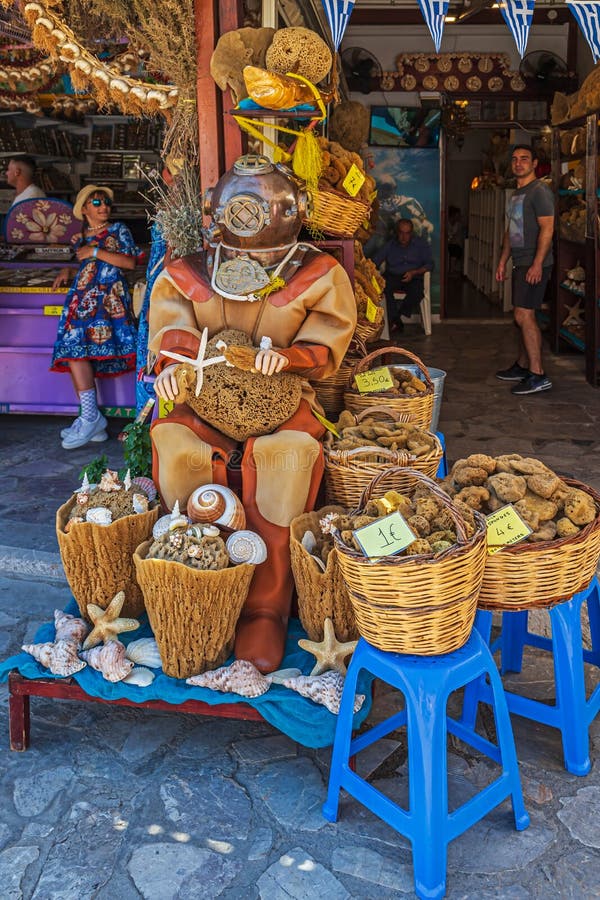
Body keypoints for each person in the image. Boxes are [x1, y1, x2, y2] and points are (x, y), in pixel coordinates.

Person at [149, 154, 356, 675]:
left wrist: (291, 357)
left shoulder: (317, 273)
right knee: (178, 447)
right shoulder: (188, 271)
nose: (249, 216)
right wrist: (172, 365)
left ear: (294, 211)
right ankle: (192, 590)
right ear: (216, 210)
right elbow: (172, 326)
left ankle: (266, 603)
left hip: (283, 398)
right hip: (203, 396)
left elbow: (327, 340)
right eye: (238, 207)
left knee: (287, 455)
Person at [51, 185, 139, 449]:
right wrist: (70, 267)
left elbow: (130, 263)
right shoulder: (80, 237)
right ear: (85, 209)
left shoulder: (118, 230)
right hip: (82, 300)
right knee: (75, 352)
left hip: (108, 301)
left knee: (77, 353)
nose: (104, 207)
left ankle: (89, 417)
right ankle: (92, 419)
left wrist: (95, 253)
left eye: (107, 203)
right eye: (98, 202)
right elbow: (86, 262)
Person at [495, 145, 554, 395]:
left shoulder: (540, 191)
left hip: (533, 263)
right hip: (520, 262)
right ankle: (522, 365)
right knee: (521, 317)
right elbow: (511, 230)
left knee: (524, 315)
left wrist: (537, 263)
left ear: (534, 163)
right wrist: (502, 260)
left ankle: (538, 374)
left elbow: (548, 229)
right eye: (515, 159)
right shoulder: (516, 194)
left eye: (524, 159)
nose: (519, 163)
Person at [373, 218, 433, 332]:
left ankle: (396, 318)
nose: (404, 237)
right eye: (401, 233)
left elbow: (430, 265)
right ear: (397, 232)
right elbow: (375, 261)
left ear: (411, 233)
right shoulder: (390, 245)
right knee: (384, 288)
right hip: (393, 276)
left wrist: (414, 272)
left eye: (407, 233)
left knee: (417, 292)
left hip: (414, 276)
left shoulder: (420, 244)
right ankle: (395, 320)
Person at [447, 205, 465, 276]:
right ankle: (452, 270)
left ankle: (452, 270)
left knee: (455, 249)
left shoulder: (458, 224)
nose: (458, 216)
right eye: (457, 215)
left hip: (455, 244)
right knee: (453, 249)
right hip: (450, 243)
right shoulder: (447, 223)